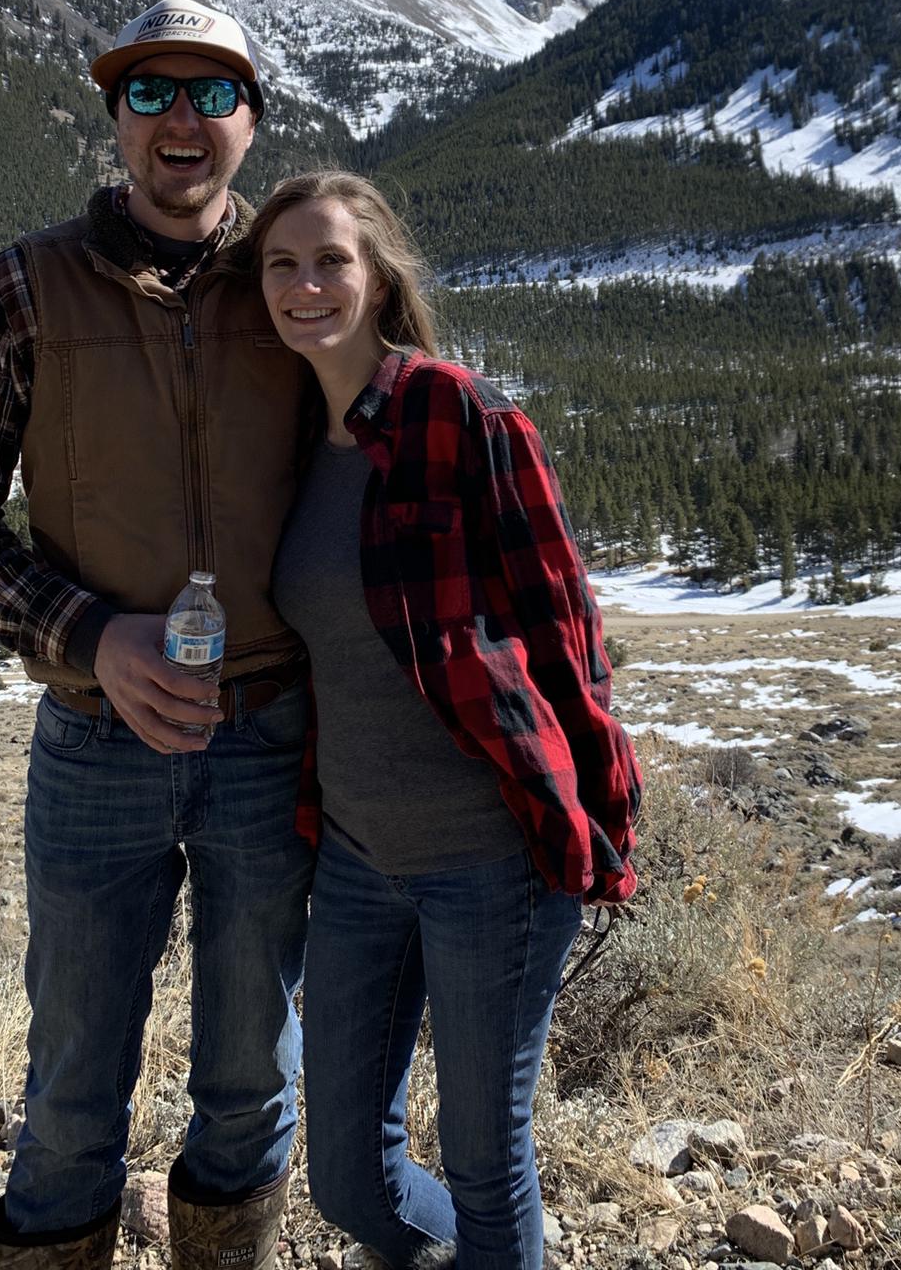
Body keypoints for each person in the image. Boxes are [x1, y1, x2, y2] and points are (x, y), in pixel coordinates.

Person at [0, 0, 314, 1270]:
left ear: (251, 119)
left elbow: (391, 467)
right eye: (149, 93)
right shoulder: (27, 285)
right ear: (114, 117)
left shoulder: (297, 283)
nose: (178, 119)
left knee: (252, 1076)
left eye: (208, 92)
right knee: (73, 1085)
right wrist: (93, 635)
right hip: (93, 741)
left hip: (269, 736)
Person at [250, 171, 642, 1270]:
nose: (306, 284)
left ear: (379, 275)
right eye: (282, 263)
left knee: (483, 1158)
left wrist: (600, 821)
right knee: (346, 1174)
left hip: (491, 858)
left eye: (330, 258)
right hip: (362, 860)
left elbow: (568, 633)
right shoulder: (289, 444)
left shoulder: (461, 414)